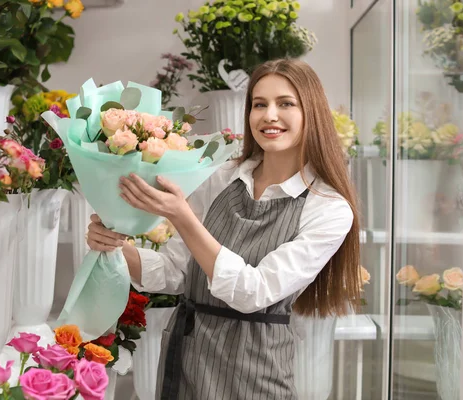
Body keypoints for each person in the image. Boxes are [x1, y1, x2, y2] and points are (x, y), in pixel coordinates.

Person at [86, 59, 361, 400]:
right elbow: (176, 271)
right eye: (259, 104)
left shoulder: (329, 209)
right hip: (185, 354)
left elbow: (254, 292)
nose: (269, 115)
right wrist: (113, 245)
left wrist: (182, 216)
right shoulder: (221, 178)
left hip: (255, 368)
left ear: (312, 113)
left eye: (285, 104)